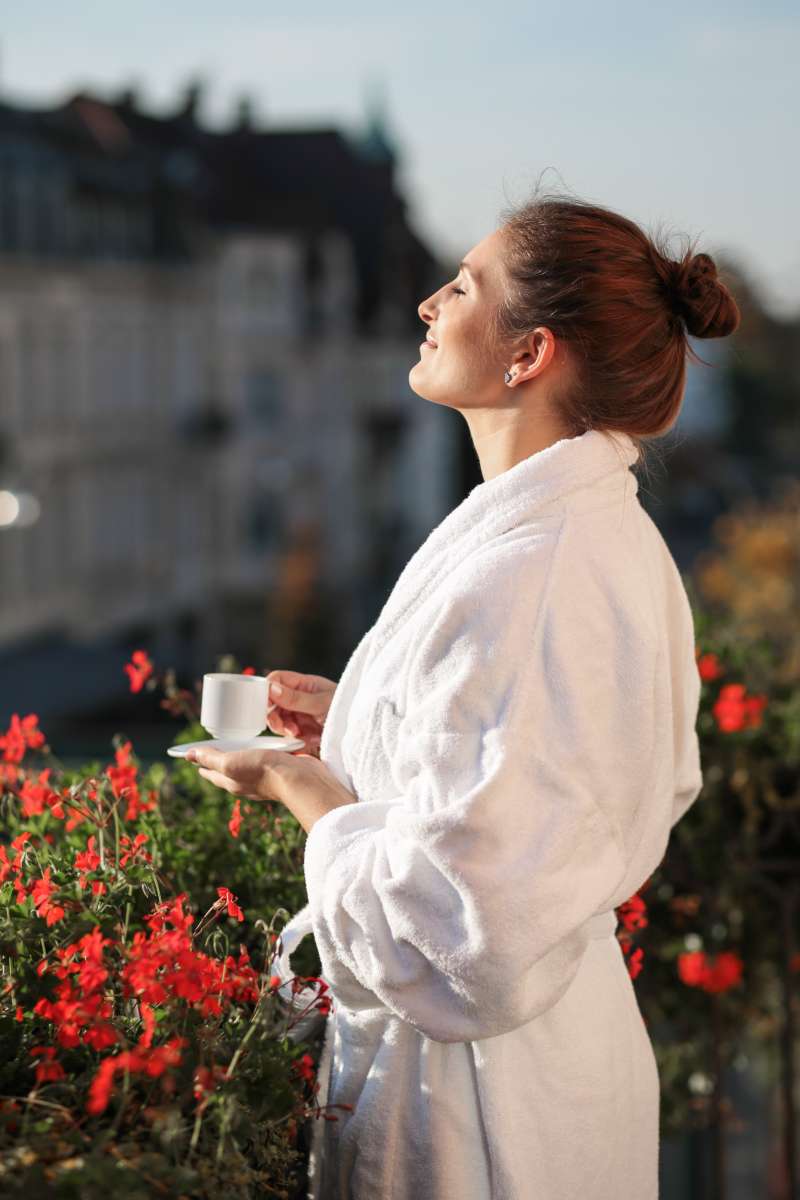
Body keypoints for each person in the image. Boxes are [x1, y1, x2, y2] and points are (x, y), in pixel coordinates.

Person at [202, 186, 742, 1199]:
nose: (427, 305)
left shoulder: (529, 574)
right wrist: (362, 717)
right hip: (541, 1070)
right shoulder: (571, 533)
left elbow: (463, 939)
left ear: (527, 353)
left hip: (479, 1118)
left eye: (459, 286)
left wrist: (303, 790)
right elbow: (516, 784)